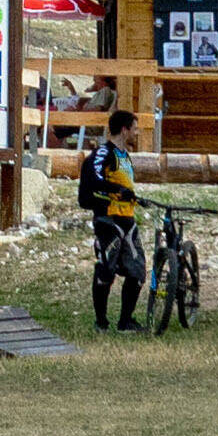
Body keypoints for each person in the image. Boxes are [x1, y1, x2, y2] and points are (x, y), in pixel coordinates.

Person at [78, 107, 145, 331]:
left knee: (137, 272)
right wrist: (116, 190)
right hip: (108, 221)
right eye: (135, 129)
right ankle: (101, 322)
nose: (137, 134)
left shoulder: (125, 156)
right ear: (124, 130)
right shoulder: (102, 154)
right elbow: (91, 184)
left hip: (128, 221)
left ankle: (126, 321)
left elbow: (125, 187)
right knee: (106, 271)